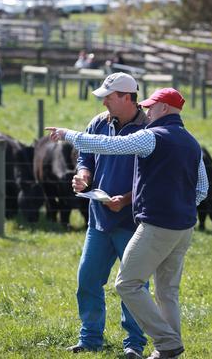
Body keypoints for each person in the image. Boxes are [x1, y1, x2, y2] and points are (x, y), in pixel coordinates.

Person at [46, 87, 209, 359]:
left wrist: (68, 135)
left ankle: (166, 342)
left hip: (157, 226)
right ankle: (168, 351)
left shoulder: (151, 136)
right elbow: (201, 189)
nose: (146, 110)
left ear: (165, 109)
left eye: (151, 106)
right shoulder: (191, 142)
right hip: (184, 228)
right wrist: (179, 208)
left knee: (127, 284)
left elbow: (110, 146)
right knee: (167, 291)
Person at [63, 72, 149, 357]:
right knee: (87, 279)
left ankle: (134, 345)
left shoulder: (149, 129)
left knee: (133, 287)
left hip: (134, 223)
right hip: (99, 219)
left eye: (108, 98)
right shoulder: (98, 123)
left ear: (127, 97)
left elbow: (156, 178)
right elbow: (85, 156)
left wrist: (126, 200)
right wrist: (83, 176)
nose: (104, 104)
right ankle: (89, 339)